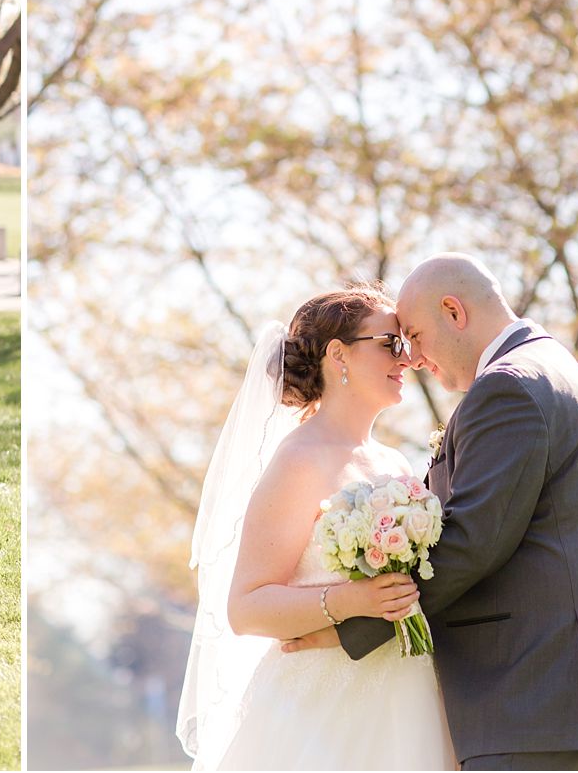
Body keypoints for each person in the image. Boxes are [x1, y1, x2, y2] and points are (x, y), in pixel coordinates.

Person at [293, 254, 578, 770]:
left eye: (416, 336)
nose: (414, 359)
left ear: (454, 310)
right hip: (562, 695)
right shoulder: (550, 367)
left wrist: (352, 625)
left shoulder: (508, 387)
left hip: (536, 694)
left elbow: (470, 543)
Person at [177, 284, 455, 771]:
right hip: (324, 708)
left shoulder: (394, 463)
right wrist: (348, 602)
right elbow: (246, 607)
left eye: (406, 345)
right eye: (390, 343)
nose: (407, 359)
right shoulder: (299, 461)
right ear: (338, 354)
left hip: (408, 695)